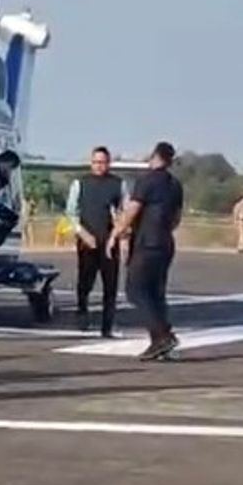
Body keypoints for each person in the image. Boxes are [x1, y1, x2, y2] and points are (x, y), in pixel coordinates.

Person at [108, 141, 184, 361]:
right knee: (156, 294)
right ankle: (159, 341)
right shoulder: (175, 184)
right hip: (165, 242)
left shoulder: (147, 181)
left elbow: (132, 210)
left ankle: (163, 336)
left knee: (136, 291)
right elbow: (177, 218)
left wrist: (115, 234)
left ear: (155, 156)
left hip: (146, 243)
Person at [65, 146, 127, 336]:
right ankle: (82, 310)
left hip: (109, 242)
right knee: (85, 281)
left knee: (110, 286)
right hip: (87, 241)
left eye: (103, 162)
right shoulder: (80, 184)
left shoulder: (118, 184)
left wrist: (118, 235)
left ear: (108, 163)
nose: (99, 166)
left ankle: (107, 326)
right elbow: (70, 213)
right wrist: (82, 233)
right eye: (96, 162)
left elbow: (124, 212)